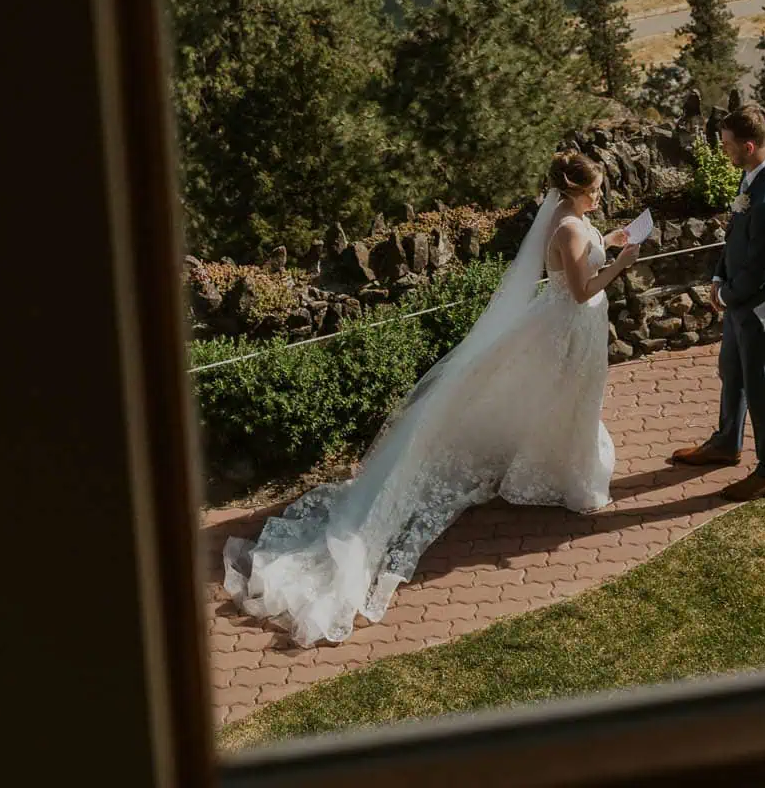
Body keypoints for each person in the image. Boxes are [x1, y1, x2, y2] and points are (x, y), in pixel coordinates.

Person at [223, 151, 639, 645]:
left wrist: (608, 240)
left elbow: (581, 252)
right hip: (566, 328)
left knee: (568, 400)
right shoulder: (568, 227)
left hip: (576, 330)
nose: (600, 196)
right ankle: (560, 469)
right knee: (563, 400)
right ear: (573, 191)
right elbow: (577, 290)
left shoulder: (575, 221)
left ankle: (553, 461)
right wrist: (621, 264)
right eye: (594, 190)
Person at [670, 101, 765, 500]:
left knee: (762, 386)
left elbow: (761, 270)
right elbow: (736, 236)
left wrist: (726, 295)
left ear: (749, 146)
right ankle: (727, 442)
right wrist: (718, 275)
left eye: (728, 144)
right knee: (732, 370)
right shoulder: (751, 175)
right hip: (740, 300)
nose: (723, 150)